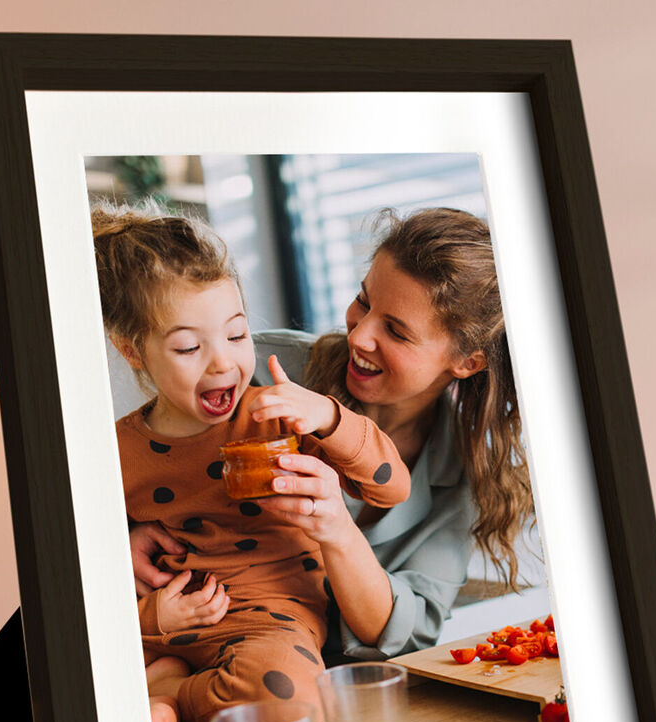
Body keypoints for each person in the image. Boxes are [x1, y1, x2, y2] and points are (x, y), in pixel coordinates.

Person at [132, 207, 533, 663]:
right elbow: (131, 448)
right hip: (181, 643)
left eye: (396, 332)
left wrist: (337, 531)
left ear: (466, 363)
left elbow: (408, 634)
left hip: (316, 680)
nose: (360, 334)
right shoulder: (251, 366)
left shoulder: (459, 471)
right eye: (363, 302)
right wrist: (126, 531)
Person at [93, 203, 409, 722]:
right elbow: (79, 567)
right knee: (75, 676)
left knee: (292, 701)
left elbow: (390, 488)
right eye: (190, 348)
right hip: (162, 620)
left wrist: (329, 418)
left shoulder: (278, 414)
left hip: (270, 619)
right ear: (133, 351)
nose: (223, 364)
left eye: (237, 335)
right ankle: (158, 688)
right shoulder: (113, 451)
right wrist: (150, 615)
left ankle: (163, 701)